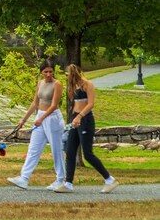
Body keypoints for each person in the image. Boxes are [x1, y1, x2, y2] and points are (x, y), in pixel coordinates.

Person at [53, 64, 119, 193]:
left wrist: (80, 117)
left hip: (86, 120)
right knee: (70, 151)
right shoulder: (73, 87)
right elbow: (75, 105)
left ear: (75, 73)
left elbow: (90, 104)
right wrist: (73, 120)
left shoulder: (88, 84)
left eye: (68, 74)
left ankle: (109, 179)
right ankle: (68, 183)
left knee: (88, 154)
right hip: (76, 120)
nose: (67, 77)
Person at [7, 60, 66, 190]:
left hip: (53, 118)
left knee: (56, 149)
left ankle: (60, 180)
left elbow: (54, 105)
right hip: (41, 115)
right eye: (46, 72)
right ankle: (24, 178)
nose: (48, 74)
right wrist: (23, 120)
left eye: (51, 71)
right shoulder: (40, 83)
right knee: (33, 148)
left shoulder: (57, 84)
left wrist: (42, 118)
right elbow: (35, 103)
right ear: (41, 72)